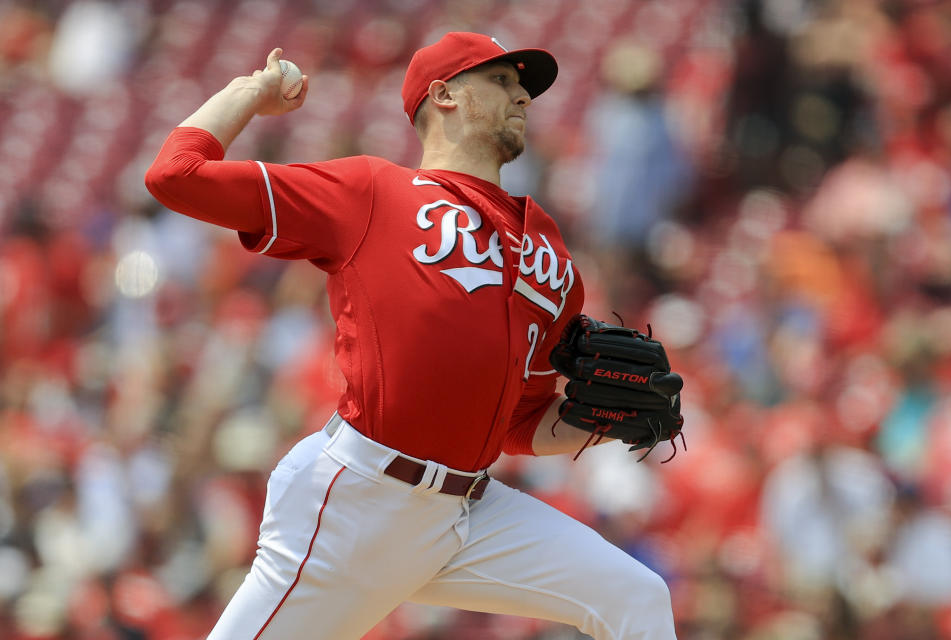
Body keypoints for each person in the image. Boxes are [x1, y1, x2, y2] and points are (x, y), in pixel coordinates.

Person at [145, 31, 677, 640]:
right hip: (357, 504)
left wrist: (602, 420)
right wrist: (252, 90)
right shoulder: (371, 192)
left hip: (466, 512)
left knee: (637, 595)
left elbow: (521, 425)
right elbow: (175, 174)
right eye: (501, 81)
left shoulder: (548, 250)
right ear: (444, 95)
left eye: (523, 87)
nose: (522, 97)